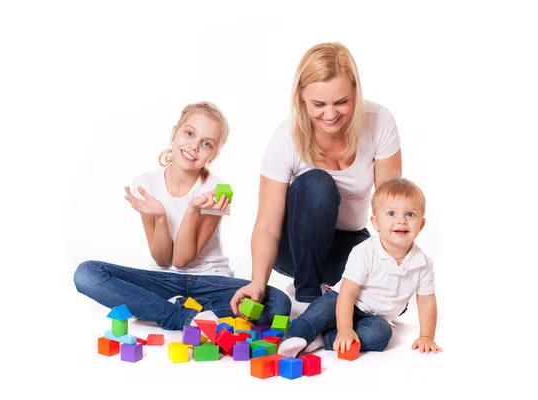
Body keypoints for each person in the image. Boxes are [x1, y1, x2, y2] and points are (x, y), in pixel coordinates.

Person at [73, 101, 291, 330]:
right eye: (189, 133)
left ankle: (160, 310)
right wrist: (159, 217)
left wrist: (193, 209)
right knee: (86, 274)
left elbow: (182, 259)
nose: (194, 146)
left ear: (213, 154)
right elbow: (163, 260)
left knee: (278, 303)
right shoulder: (146, 183)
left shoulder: (217, 190)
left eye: (206, 143)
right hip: (163, 280)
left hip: (211, 281)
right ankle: (184, 316)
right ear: (175, 132)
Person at [230, 42, 402, 313]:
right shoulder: (285, 138)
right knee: (317, 184)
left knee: (392, 299)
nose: (331, 115)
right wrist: (257, 283)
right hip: (293, 247)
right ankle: (307, 295)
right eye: (319, 104)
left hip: (346, 241)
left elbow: (392, 206)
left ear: (356, 92)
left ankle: (329, 295)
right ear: (301, 96)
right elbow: (267, 224)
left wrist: (393, 268)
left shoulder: (379, 121)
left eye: (342, 102)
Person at [276, 178, 441, 357]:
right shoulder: (365, 250)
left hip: (375, 317)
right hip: (343, 300)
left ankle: (322, 340)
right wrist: (345, 327)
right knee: (319, 312)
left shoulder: (423, 264)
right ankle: (295, 336)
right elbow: (348, 293)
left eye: (410, 214)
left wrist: (426, 336)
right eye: (391, 214)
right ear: (376, 222)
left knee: (381, 335)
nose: (401, 221)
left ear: (421, 225)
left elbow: (426, 302)